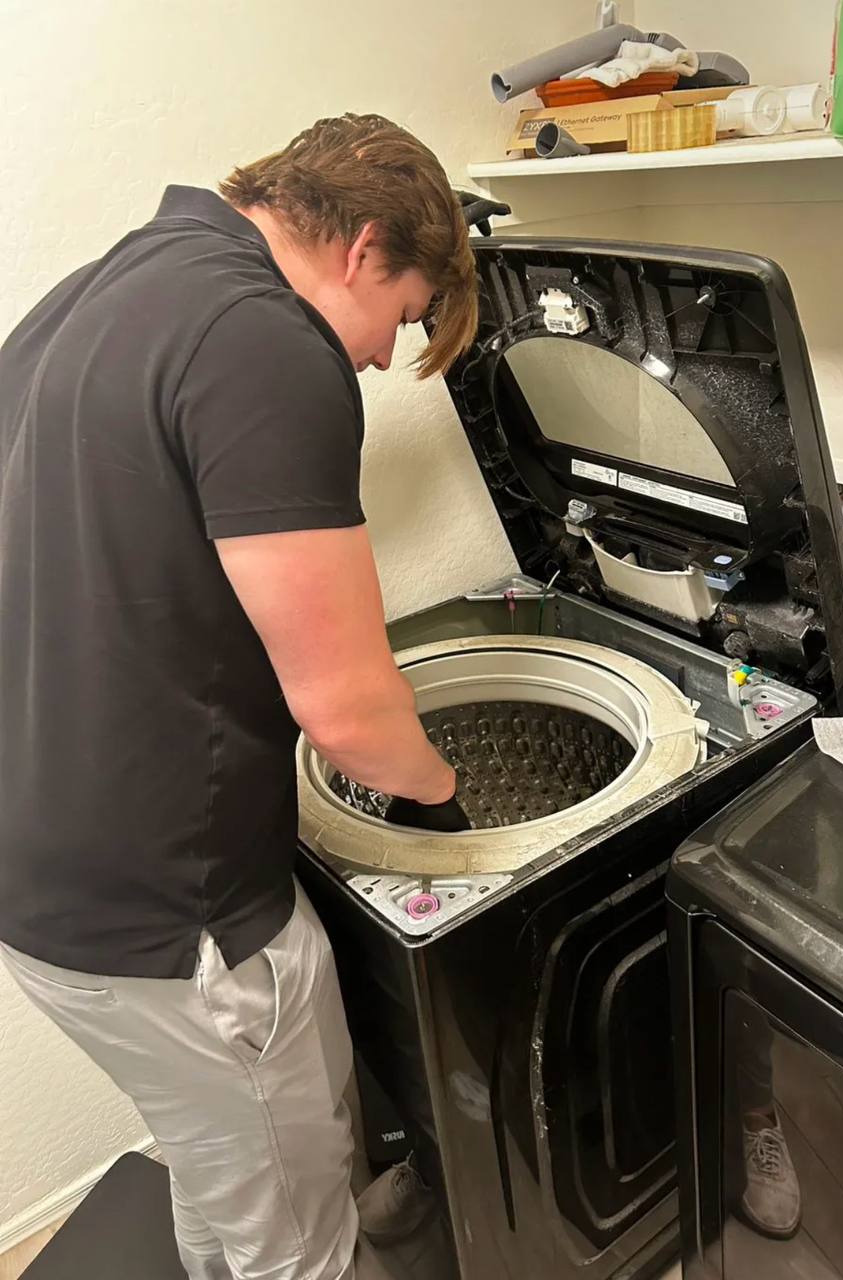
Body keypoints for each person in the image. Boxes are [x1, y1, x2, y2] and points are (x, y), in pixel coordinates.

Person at [0, 113, 478, 1280]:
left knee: (230, 1171)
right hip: (174, 907)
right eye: (404, 318)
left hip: (51, 870)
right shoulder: (266, 342)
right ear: (363, 247)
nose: (376, 356)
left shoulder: (106, 286)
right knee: (297, 1238)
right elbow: (350, 712)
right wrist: (447, 812)